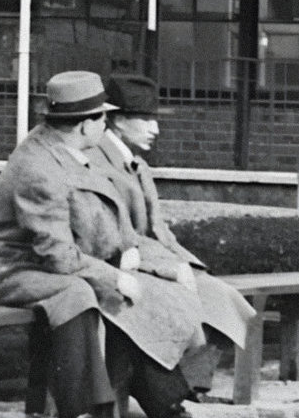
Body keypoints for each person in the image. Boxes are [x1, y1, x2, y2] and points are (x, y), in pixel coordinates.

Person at [0, 71, 216, 418]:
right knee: (80, 294)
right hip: (7, 269)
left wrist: (133, 264)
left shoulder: (61, 150)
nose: (107, 124)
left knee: (126, 292)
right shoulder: (40, 167)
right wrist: (112, 277)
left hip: (44, 265)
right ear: (85, 126)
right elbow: (57, 255)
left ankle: (164, 407)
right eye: (103, 117)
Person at [96, 72, 257, 392]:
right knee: (177, 303)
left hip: (149, 260)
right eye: (145, 119)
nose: (155, 129)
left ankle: (191, 386)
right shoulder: (101, 161)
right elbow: (116, 233)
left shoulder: (135, 162)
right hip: (121, 264)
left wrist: (186, 263)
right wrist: (169, 267)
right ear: (117, 120)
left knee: (224, 298)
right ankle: (169, 392)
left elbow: (158, 228)